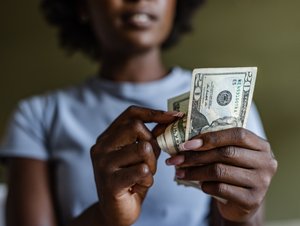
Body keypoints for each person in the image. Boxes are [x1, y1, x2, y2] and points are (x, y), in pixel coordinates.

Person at [0, 0, 277, 226]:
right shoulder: (37, 116)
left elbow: (235, 218)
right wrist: (106, 216)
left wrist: (242, 216)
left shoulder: (230, 107)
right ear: (82, 6)